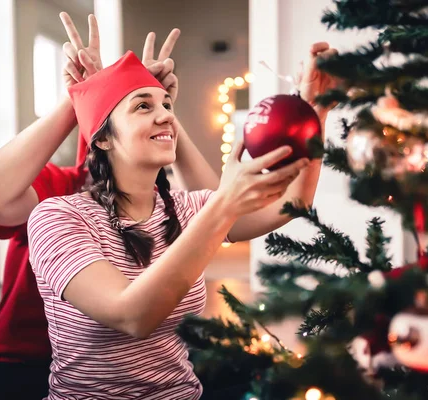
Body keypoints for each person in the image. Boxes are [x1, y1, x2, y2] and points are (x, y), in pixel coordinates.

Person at [26, 33, 335, 397]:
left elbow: (292, 203)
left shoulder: (187, 208)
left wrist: (315, 110)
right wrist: (224, 204)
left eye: (168, 105)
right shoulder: (57, 217)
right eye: (143, 106)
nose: (166, 117)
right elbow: (132, 316)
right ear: (103, 139)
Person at [0, 12, 218, 400]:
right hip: (24, 360)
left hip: (136, 365)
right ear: (102, 138)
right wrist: (79, 96)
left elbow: (218, 210)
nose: (158, 112)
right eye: (138, 106)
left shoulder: (164, 201)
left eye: (159, 105)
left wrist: (161, 116)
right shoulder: (55, 193)